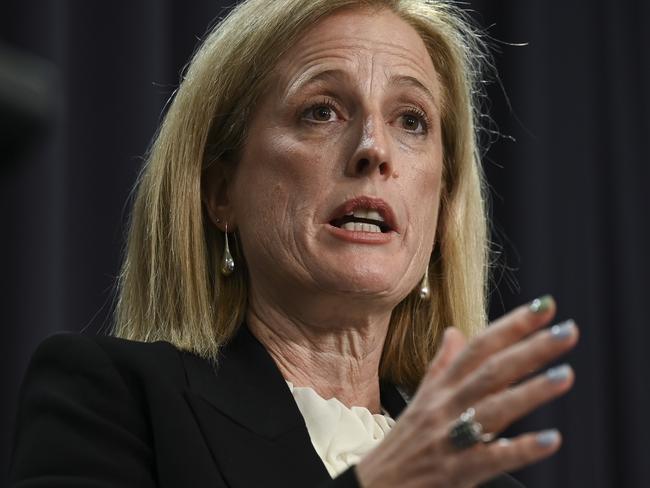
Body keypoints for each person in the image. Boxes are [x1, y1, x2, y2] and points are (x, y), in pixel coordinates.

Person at [9, 0, 579, 486]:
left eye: (411, 120)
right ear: (220, 191)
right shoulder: (115, 401)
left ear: (441, 206)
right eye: (321, 111)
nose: (373, 148)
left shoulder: (482, 480)